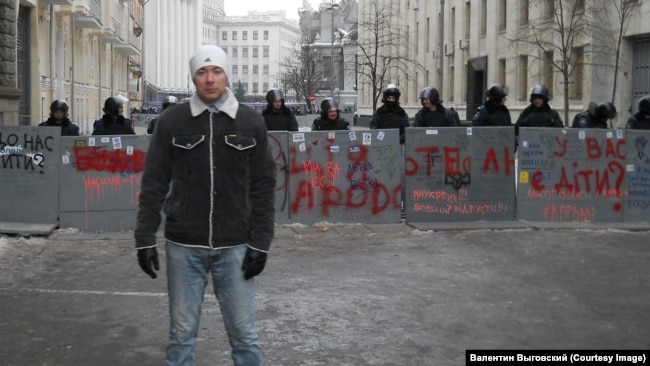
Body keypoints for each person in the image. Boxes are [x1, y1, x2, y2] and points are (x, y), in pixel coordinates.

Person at [134, 44, 275, 366]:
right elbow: (154, 181)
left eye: (216, 71)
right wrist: (144, 238)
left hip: (236, 244)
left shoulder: (251, 122)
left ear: (226, 75)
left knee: (244, 335)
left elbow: (264, 186)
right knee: (181, 336)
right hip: (184, 245)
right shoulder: (173, 121)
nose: (210, 79)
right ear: (194, 77)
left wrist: (261, 242)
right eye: (202, 72)